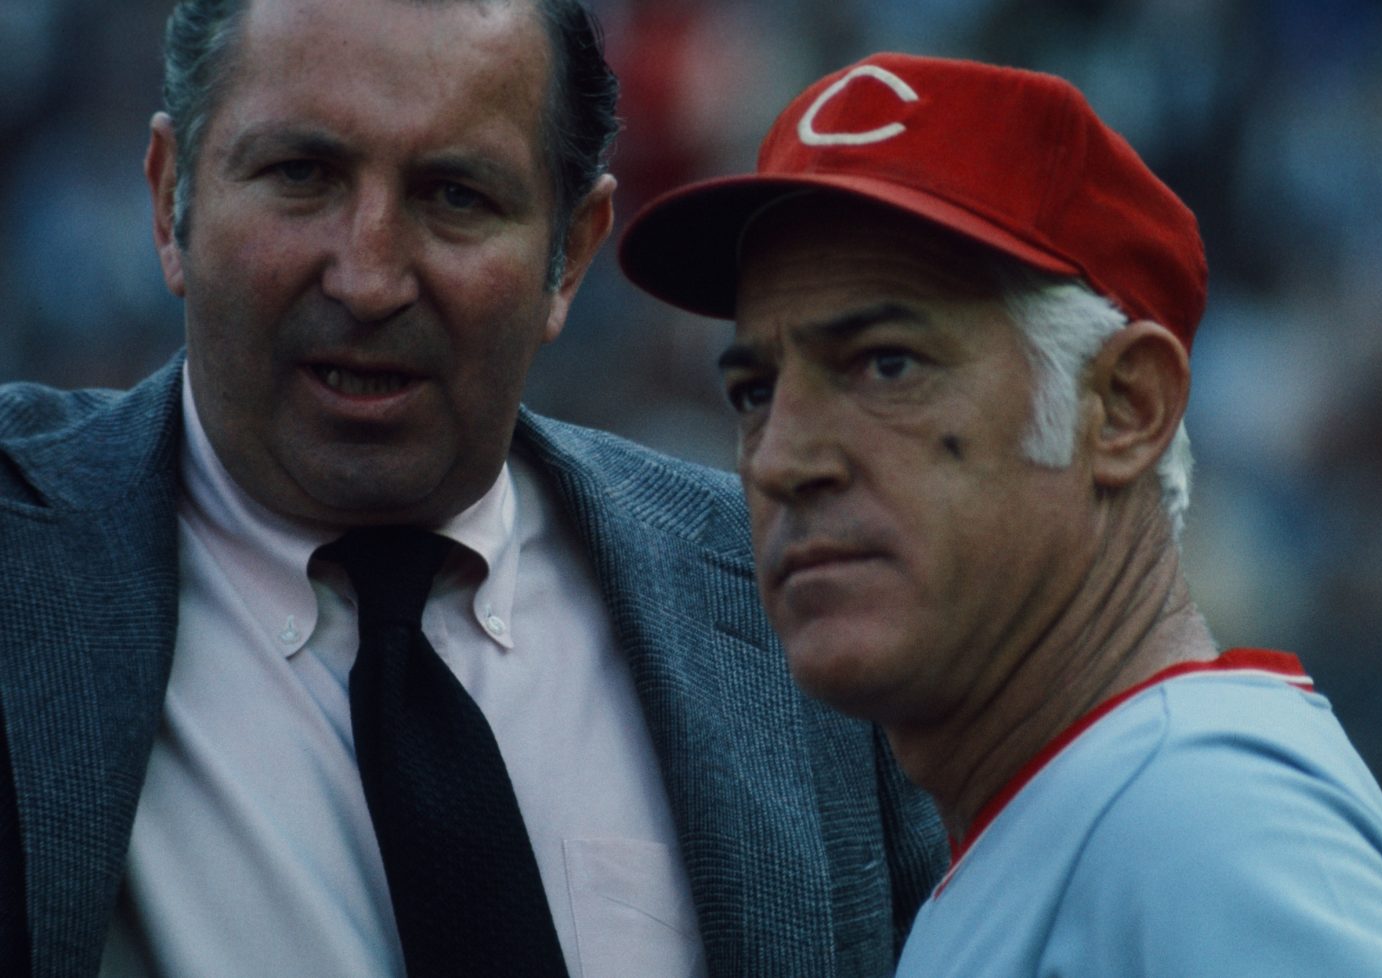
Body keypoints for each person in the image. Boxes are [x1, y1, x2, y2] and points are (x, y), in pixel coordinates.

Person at [0, 4, 947, 976]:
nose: (368, 277)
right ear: (171, 205)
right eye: (301, 176)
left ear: (569, 257)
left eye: (454, 196)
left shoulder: (790, 612)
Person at [618, 53, 1382, 976]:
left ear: (1125, 409)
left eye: (887, 364)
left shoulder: (1203, 821)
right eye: (753, 390)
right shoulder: (1088, 809)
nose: (782, 458)